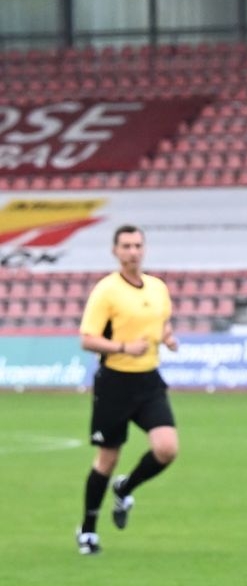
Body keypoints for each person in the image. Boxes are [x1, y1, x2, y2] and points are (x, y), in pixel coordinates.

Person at [76, 224, 179, 554]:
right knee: (107, 459)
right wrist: (123, 347)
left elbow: (161, 322)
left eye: (137, 245)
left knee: (167, 449)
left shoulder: (157, 287)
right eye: (126, 246)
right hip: (115, 382)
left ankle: (125, 488)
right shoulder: (106, 291)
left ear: (144, 249)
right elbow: (87, 339)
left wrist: (167, 338)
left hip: (148, 380)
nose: (133, 252)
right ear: (115, 251)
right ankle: (88, 531)